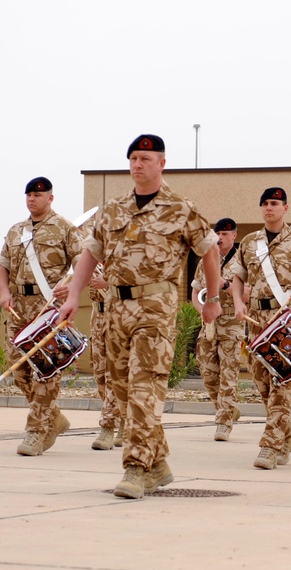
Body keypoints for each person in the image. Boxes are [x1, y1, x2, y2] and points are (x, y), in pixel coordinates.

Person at [59, 134, 222, 498]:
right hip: (116, 309)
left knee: (145, 387)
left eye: (146, 158)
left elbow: (209, 252)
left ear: (161, 163)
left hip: (155, 309)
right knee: (122, 391)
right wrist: (73, 295)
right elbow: (90, 255)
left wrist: (212, 298)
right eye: (133, 158)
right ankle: (159, 462)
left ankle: (136, 469)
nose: (138, 164)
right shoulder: (112, 209)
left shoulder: (181, 208)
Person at [229, 187, 291, 469]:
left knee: (282, 380)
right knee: (262, 382)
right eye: (266, 204)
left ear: (285, 208)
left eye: (275, 203)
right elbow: (237, 276)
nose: (270, 208)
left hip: (285, 318)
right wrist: (238, 303)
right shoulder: (249, 242)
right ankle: (284, 435)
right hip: (257, 318)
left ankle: (269, 446)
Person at [0, 177, 84, 456]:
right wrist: (3, 291)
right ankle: (54, 417)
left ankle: (36, 432)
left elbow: (82, 263)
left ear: (50, 198)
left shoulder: (65, 228)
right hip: (18, 308)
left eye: (38, 194)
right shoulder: (15, 231)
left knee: (45, 369)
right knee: (18, 370)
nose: (32, 199)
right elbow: (2, 266)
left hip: (48, 310)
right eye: (29, 195)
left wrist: (71, 287)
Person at [191, 218, 242, 441]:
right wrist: (202, 309)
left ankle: (223, 422)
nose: (220, 238)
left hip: (232, 325)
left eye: (225, 233)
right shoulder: (205, 260)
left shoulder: (243, 260)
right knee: (208, 374)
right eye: (217, 233)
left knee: (228, 374)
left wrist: (225, 284)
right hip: (209, 325)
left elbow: (248, 293)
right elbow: (195, 291)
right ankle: (227, 408)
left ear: (234, 236)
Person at [80, 215, 122, 451]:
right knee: (99, 373)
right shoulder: (92, 257)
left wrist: (109, 281)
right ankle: (122, 419)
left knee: (114, 374)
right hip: (98, 317)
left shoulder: (123, 253)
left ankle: (108, 427)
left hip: (119, 315)